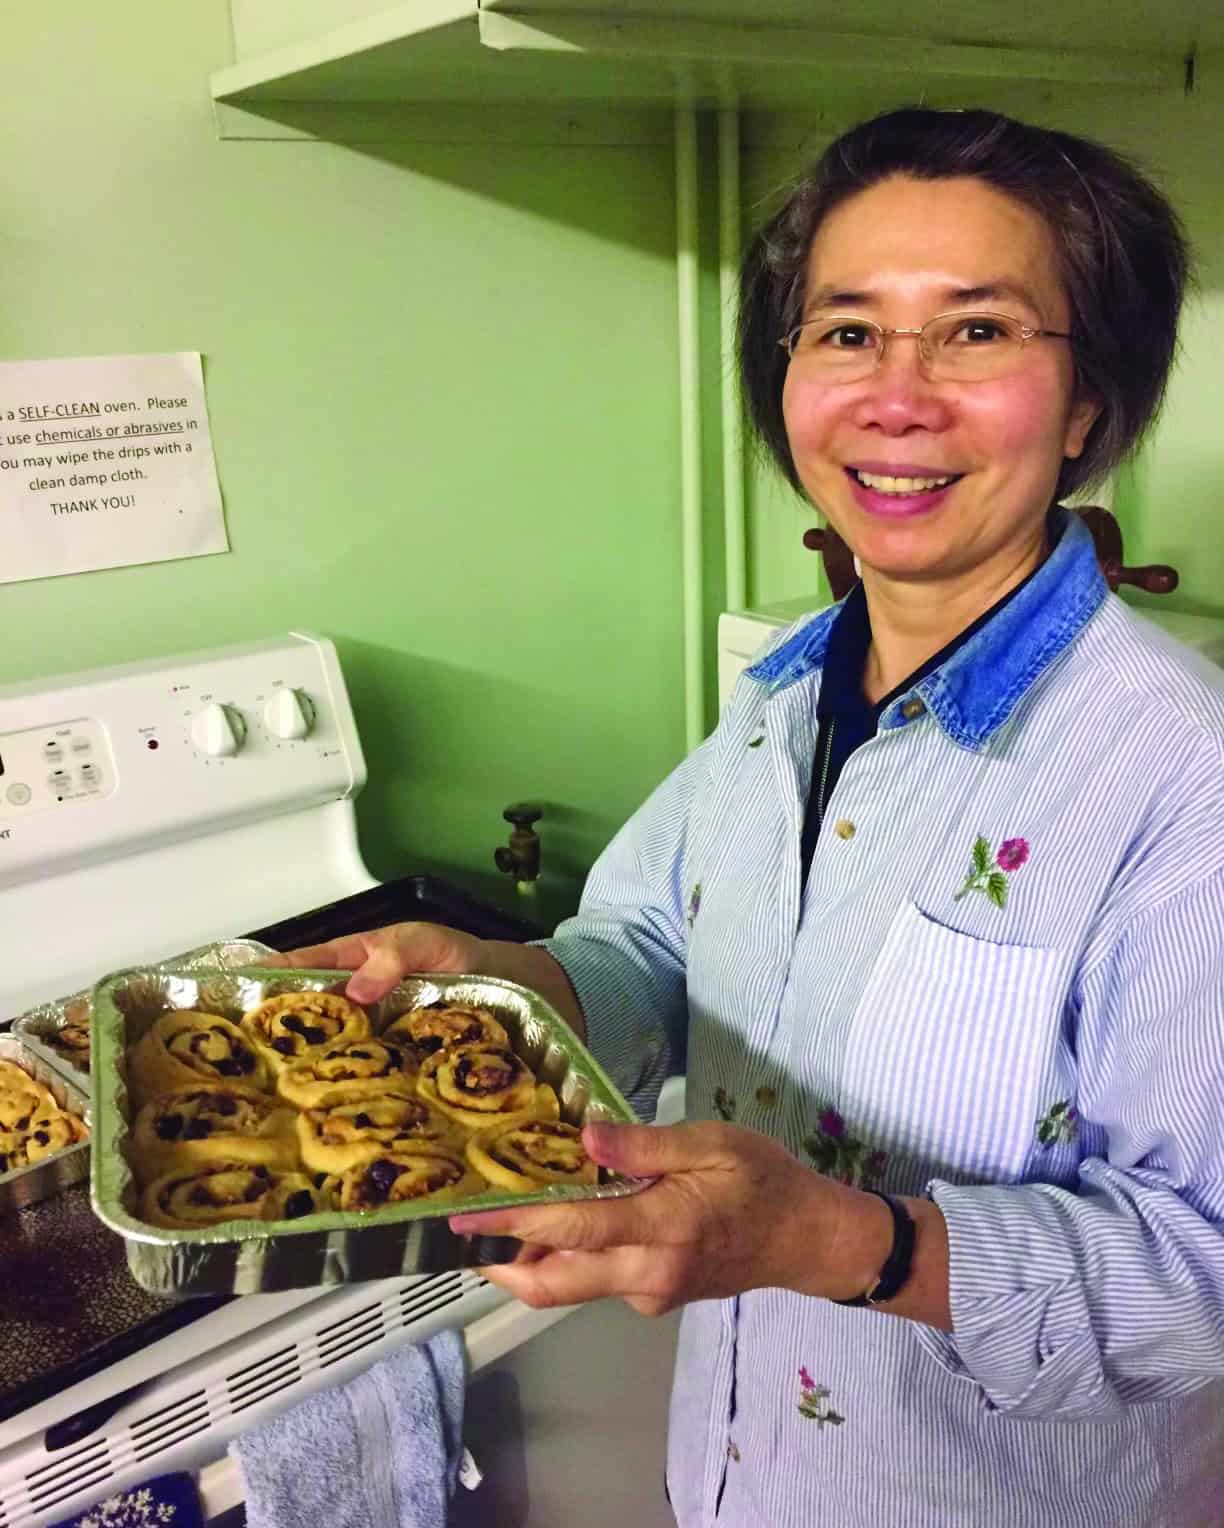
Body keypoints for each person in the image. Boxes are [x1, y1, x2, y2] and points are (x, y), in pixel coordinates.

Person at [282, 108, 1224, 1525]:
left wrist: (835, 1239)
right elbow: (655, 947)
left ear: (1088, 403)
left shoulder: (1181, 777)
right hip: (740, 1477)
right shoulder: (788, 688)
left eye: (977, 332)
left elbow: (1202, 1272)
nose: (895, 398)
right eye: (846, 332)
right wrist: (509, 988)